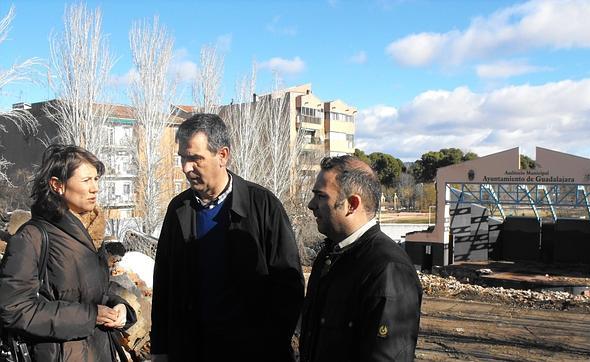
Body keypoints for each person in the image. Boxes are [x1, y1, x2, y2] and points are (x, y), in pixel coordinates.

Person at [151, 113, 304, 361]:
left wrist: (271, 343)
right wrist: (160, 348)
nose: (185, 168)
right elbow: (164, 284)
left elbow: (289, 284)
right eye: (182, 158)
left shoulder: (262, 205)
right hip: (192, 350)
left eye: (195, 158)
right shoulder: (178, 209)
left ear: (222, 156)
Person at [0, 144, 136, 361]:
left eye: (96, 179)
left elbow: (92, 292)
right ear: (57, 185)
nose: (95, 188)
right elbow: (14, 309)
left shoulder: (91, 234)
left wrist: (119, 308)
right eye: (86, 180)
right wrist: (91, 315)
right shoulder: (32, 237)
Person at [300, 155, 422, 361]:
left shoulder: (388, 269)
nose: (312, 205)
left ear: (352, 204)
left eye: (321, 196)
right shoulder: (330, 255)